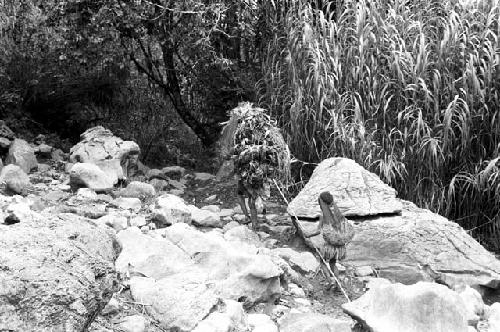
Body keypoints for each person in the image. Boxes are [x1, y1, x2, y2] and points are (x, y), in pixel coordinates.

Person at [304, 191, 354, 277]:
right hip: (340, 247)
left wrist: (308, 235)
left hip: (329, 247)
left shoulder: (323, 215)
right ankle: (337, 283)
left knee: (322, 262)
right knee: (332, 264)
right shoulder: (337, 212)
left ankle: (330, 281)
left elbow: (318, 231)